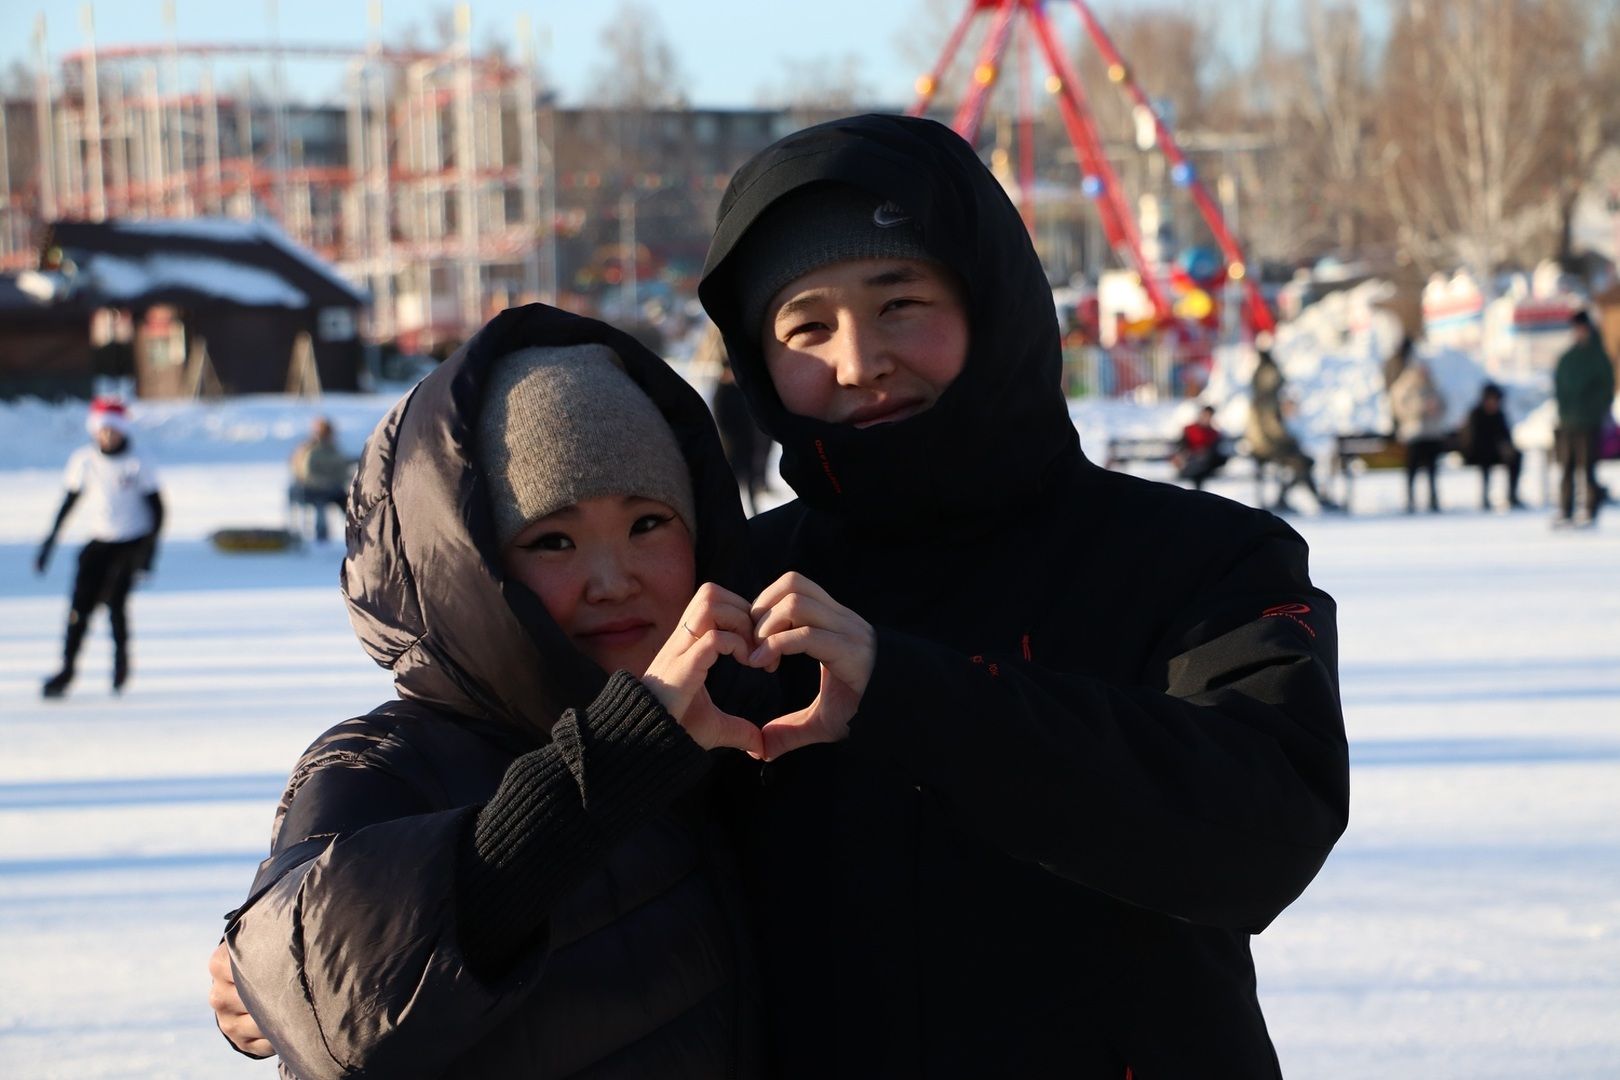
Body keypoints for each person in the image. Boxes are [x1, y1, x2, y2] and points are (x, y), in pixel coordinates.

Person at [695, 114, 1349, 1078]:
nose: (859, 361)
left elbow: (1265, 829)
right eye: (806, 326)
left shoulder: (1202, 557)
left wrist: (912, 695)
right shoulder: (734, 591)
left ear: (992, 302)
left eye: (900, 303)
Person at [207, 304, 866, 1077]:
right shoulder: (391, 761)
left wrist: (896, 708)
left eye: (648, 524)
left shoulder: (756, 721)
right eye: (552, 540)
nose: (612, 581)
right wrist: (614, 761)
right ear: (473, 569)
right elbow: (325, 987)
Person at [34, 396, 164, 698]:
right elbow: (68, 504)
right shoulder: (84, 461)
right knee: (79, 608)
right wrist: (48, 545)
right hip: (98, 542)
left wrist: (147, 556)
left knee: (115, 605)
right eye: (102, 430)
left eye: (113, 429)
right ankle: (67, 670)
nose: (107, 435)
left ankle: (120, 665)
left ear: (122, 430)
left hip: (130, 542)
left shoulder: (138, 461)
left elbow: (158, 511)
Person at [1246, 344, 1341, 512]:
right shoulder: (1266, 400)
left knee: (1301, 462)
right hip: (1266, 448)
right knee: (1302, 463)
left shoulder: (1261, 397)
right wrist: (1289, 441)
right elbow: (1272, 430)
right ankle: (1304, 499)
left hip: (1266, 446)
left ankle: (1289, 499)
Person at [700, 324, 774, 514]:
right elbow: (719, 418)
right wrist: (728, 440)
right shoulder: (722, 392)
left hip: (747, 444)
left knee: (749, 482)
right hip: (732, 445)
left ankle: (754, 510)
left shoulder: (742, 389)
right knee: (732, 484)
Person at [1552, 310, 1616, 527]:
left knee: (1588, 468)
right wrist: (1563, 411)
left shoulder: (1598, 357)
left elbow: (1606, 389)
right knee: (1566, 468)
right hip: (1567, 421)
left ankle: (1590, 509)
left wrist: (1594, 409)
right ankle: (1565, 509)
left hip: (1589, 422)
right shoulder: (1568, 358)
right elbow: (1559, 388)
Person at [1390, 356, 1450, 513]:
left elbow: (1445, 406)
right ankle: (1410, 499)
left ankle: (1433, 498)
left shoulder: (1434, 387)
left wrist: (1436, 409)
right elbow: (1399, 408)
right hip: (1413, 435)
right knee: (1412, 469)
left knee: (1432, 469)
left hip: (1432, 434)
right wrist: (1420, 408)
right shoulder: (1405, 387)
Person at [1460, 382, 1524, 510]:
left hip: (1495, 453)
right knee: (1485, 457)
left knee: (1516, 456)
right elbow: (1471, 440)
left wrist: (1507, 448)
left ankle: (1512, 495)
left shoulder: (1499, 415)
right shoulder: (1476, 414)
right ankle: (1485, 498)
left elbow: (1506, 436)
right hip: (1476, 453)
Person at [287, 416, 351, 543]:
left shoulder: (334, 451)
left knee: (349, 503)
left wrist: (339, 482)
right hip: (310, 490)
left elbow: (342, 471)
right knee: (320, 504)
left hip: (332, 489)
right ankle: (321, 538)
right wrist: (325, 483)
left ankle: (356, 531)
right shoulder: (309, 451)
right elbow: (307, 475)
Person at [1171, 403, 1229, 490]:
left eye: (1209, 416)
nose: (1206, 418)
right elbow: (1180, 447)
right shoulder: (1190, 429)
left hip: (1205, 464)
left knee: (1204, 462)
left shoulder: (1213, 433)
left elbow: (1216, 452)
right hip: (1190, 461)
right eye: (1205, 415)